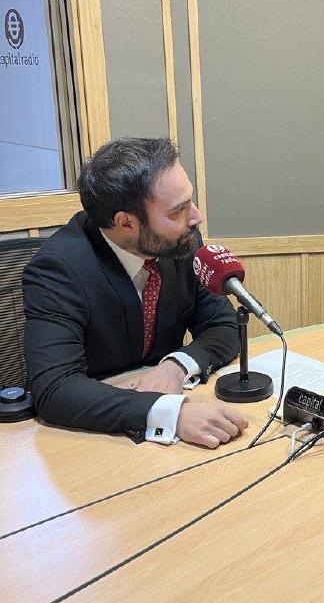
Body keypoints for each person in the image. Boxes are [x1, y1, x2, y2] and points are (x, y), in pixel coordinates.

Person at [23, 137, 249, 448]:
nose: (196, 218)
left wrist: (176, 366)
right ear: (126, 223)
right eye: (178, 210)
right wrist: (170, 414)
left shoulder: (180, 242)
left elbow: (223, 327)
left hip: (165, 435)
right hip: (91, 439)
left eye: (190, 201)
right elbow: (55, 388)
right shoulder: (57, 269)